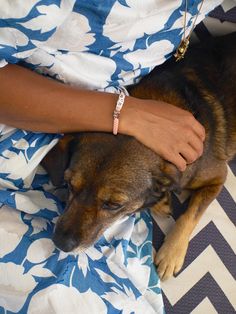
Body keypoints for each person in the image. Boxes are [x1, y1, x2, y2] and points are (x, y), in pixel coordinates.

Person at [0, 1, 223, 313]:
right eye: (73, 187)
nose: (69, 232)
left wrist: (182, 229)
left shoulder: (176, 163)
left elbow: (215, 176)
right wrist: (122, 113)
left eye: (111, 203)